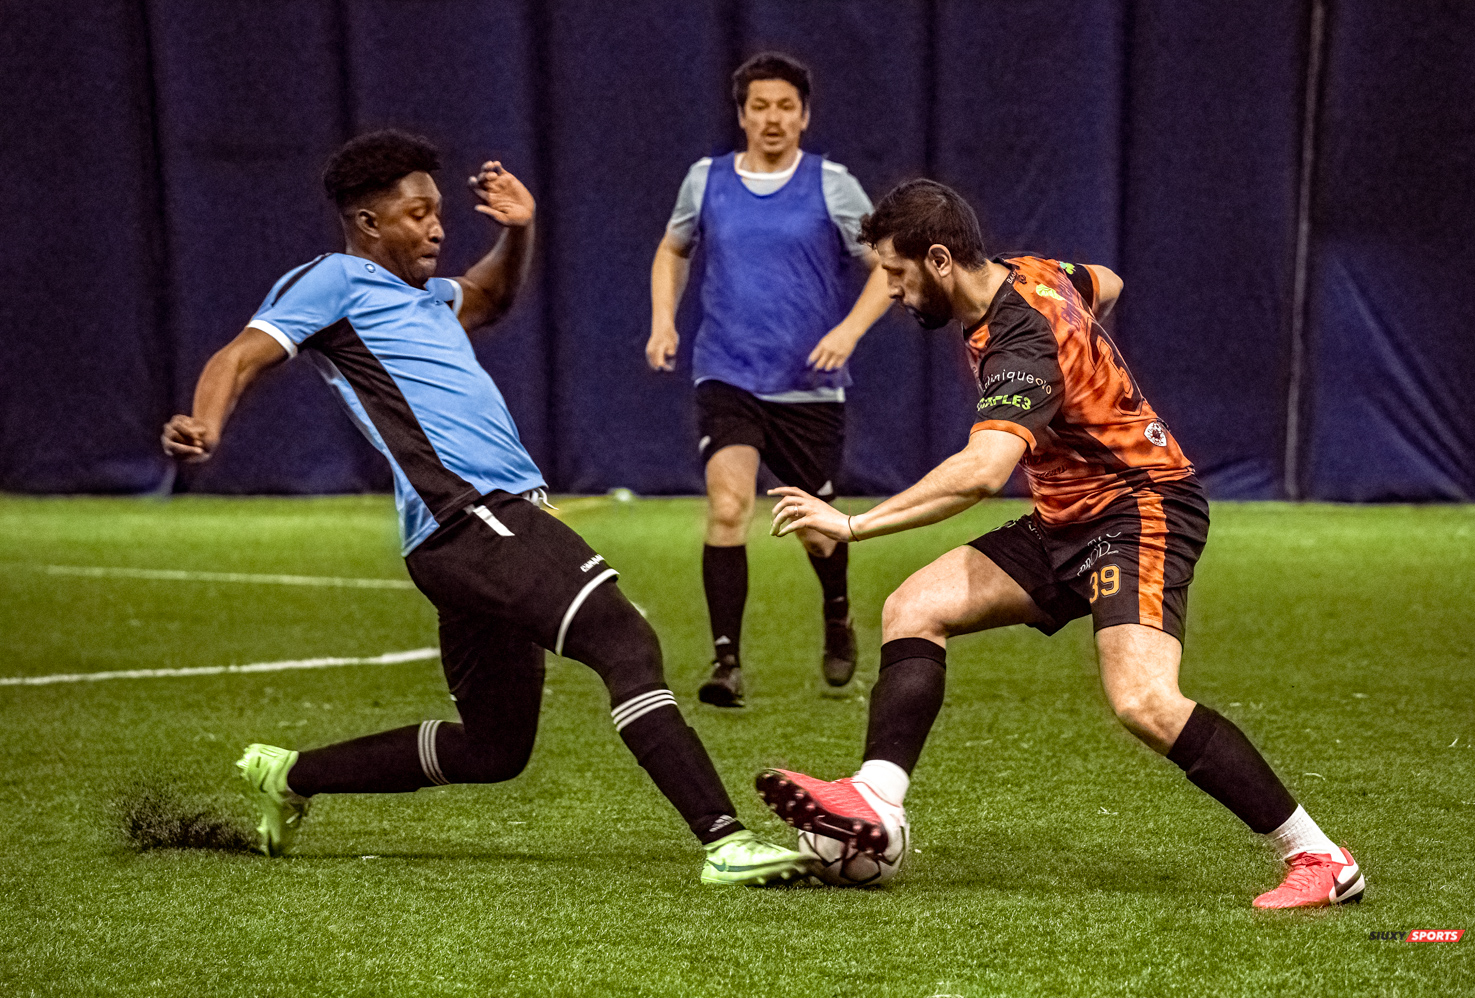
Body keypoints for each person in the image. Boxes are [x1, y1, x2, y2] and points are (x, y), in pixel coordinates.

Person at [161, 130, 806, 886]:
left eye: (440, 212)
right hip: (471, 515)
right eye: (417, 213)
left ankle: (292, 775)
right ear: (368, 223)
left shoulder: (426, 297)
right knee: (623, 640)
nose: (436, 227)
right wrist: (206, 422)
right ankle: (725, 840)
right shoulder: (334, 281)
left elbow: (492, 294)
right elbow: (239, 355)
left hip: (464, 533)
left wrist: (518, 228)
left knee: (495, 749)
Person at [754, 179, 1364, 909]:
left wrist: (850, 524)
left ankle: (1320, 856)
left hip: (1140, 510)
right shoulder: (1031, 271)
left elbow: (979, 474)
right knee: (914, 607)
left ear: (940, 259)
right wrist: (1090, 365)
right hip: (1068, 518)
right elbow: (1105, 281)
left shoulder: (1020, 341)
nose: (889, 289)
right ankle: (877, 806)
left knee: (1144, 700)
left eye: (896, 272)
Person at [648, 52, 892, 706]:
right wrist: (663, 321)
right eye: (760, 106)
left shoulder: (833, 185)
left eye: (785, 106)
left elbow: (886, 266)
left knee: (817, 529)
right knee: (729, 506)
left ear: (805, 116)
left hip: (807, 386)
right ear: (742, 115)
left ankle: (837, 613)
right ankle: (725, 661)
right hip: (726, 372)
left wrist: (847, 332)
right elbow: (673, 249)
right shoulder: (706, 181)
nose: (773, 118)